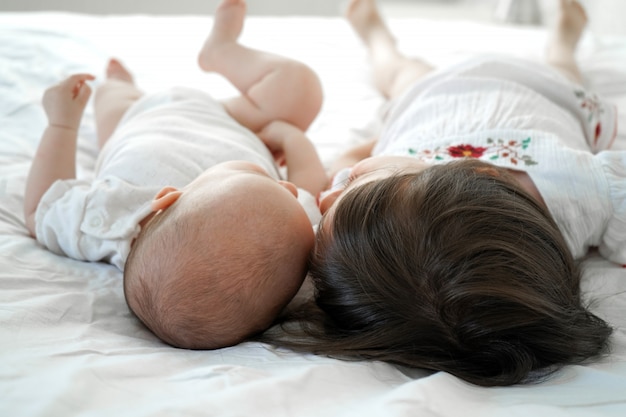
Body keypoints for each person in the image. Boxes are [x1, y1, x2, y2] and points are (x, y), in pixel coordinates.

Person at [262, 0, 621, 386]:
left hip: (427, 100)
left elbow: (348, 160)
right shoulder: (576, 187)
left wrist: (365, 146)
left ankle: (376, 36)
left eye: (345, 184)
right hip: (539, 88)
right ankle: (564, 38)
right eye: (349, 182)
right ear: (479, 172)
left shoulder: (361, 225)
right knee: (564, 68)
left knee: (399, 72)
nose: (326, 196)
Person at [23, 0, 327, 350]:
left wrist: (62, 123)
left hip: (139, 117)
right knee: (300, 87)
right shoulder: (291, 232)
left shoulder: (108, 221)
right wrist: (293, 139)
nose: (289, 187)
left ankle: (122, 83)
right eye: (281, 187)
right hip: (235, 120)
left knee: (111, 94)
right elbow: (310, 184)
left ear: (167, 198)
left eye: (269, 181)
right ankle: (222, 51)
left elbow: (42, 208)